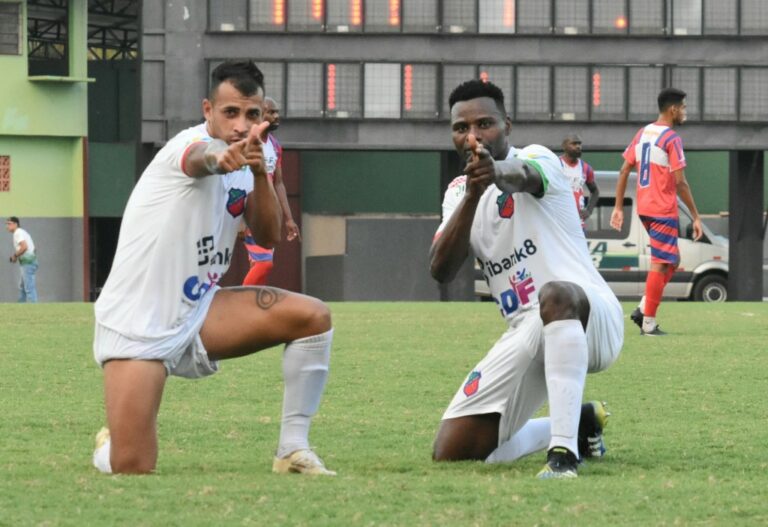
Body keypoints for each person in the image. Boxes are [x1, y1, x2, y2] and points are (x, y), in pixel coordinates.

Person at [91, 60, 336, 476]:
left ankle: (291, 451)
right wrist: (224, 157)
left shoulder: (259, 158)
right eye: (230, 112)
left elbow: (269, 233)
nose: (242, 125)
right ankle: (110, 444)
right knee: (132, 467)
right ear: (208, 110)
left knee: (313, 316)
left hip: (200, 310)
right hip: (140, 322)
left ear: (263, 115)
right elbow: (200, 159)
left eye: (252, 114)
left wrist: (259, 170)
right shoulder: (186, 147)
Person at [429, 80, 623, 479]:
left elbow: (523, 176)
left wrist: (495, 172)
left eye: (485, 124)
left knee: (555, 293)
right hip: (529, 329)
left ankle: (564, 457)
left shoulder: (539, 158)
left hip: (590, 315)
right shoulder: (456, 193)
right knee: (453, 450)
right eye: (461, 128)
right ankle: (578, 423)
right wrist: (472, 194)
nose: (472, 136)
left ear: (507, 125)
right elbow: (442, 271)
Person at [610, 87, 702, 336]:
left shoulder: (642, 133)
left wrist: (619, 207)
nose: (685, 112)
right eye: (683, 107)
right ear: (673, 109)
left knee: (672, 260)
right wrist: (695, 215)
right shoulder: (671, 138)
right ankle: (648, 323)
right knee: (662, 263)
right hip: (662, 208)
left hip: (646, 207)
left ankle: (643, 308)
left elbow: (623, 170)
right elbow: (681, 182)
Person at [242, 97, 301, 286]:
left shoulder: (274, 146)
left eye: (277, 112)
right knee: (262, 263)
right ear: (259, 114)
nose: (276, 116)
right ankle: (240, 303)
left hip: (261, 210)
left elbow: (279, 183)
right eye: (271, 112)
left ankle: (246, 307)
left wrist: (289, 218)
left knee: (262, 264)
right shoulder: (245, 141)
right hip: (240, 207)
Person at [559, 134, 599, 227]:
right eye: (574, 144)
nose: (578, 147)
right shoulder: (556, 164)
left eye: (579, 144)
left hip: (578, 222)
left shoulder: (586, 168)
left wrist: (589, 210)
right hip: (559, 220)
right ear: (564, 146)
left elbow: (595, 191)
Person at [6, 216, 38, 303]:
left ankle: (34, 309)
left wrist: (15, 256)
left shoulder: (17, 233)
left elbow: (24, 247)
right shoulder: (23, 232)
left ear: (16, 224)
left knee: (29, 288)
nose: (7, 226)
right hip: (29, 262)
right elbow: (33, 249)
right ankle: (20, 306)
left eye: (9, 224)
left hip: (28, 263)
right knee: (23, 286)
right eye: (7, 224)